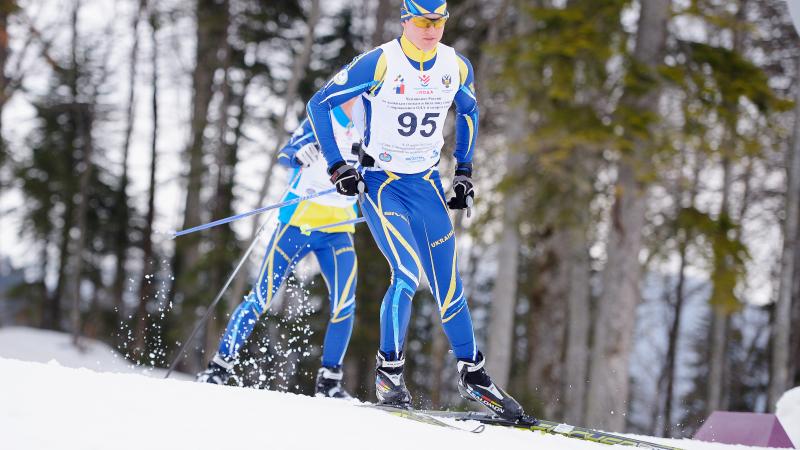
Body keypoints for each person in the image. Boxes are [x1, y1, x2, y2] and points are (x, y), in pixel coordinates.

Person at [306, 0, 528, 421]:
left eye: (438, 21)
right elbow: (319, 103)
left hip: (425, 183)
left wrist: (463, 173)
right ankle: (389, 372)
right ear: (406, 20)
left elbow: (469, 112)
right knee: (407, 273)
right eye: (423, 21)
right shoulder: (380, 63)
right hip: (381, 183)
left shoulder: (455, 66)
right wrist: (338, 167)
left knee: (449, 285)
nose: (431, 29)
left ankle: (474, 374)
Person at [197, 99, 362, 399]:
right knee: (261, 296)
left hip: (338, 230)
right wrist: (298, 155)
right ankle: (218, 368)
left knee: (345, 302)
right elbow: (285, 155)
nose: (363, 98)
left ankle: (329, 383)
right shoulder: (321, 117)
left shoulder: (372, 122)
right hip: (296, 225)